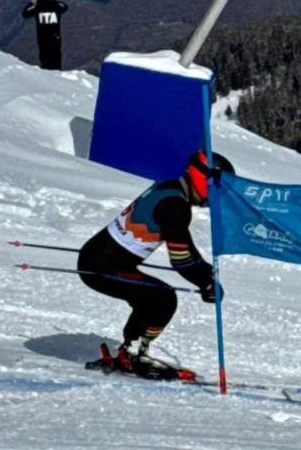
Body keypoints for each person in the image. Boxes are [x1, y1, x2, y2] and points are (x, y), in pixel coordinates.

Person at [78, 151, 235, 367]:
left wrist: (203, 270)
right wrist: (205, 283)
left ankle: (131, 347)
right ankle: (133, 352)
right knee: (162, 299)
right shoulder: (175, 207)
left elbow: (186, 248)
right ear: (203, 180)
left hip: (100, 259)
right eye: (214, 190)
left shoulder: (170, 188)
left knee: (150, 298)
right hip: (101, 267)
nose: (213, 199)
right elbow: (182, 259)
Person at [21, 0, 69, 70]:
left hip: (43, 37)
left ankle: (47, 73)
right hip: (55, 36)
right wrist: (54, 1)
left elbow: (25, 14)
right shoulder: (56, 5)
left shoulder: (38, 6)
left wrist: (31, 3)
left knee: (45, 58)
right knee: (56, 57)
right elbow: (65, 7)